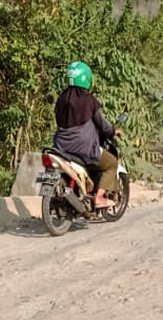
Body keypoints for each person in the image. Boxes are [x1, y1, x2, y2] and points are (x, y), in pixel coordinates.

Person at [52, 61, 121, 209]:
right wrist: (113, 131)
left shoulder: (61, 99)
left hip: (61, 147)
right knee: (111, 164)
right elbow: (102, 125)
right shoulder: (89, 100)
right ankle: (100, 197)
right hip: (83, 148)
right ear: (86, 78)